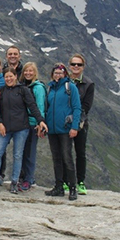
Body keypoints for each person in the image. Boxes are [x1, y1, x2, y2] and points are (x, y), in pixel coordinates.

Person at [0, 67, 47, 195]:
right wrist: (0, 123)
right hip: (5, 128)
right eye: (6, 77)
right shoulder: (1, 92)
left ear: (15, 77)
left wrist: (40, 120)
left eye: (10, 76)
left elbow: (32, 106)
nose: (8, 79)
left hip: (21, 128)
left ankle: (14, 182)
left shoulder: (23, 90)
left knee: (18, 156)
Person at [44, 63, 82, 201]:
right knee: (56, 158)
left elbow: (77, 107)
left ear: (65, 74)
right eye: (55, 73)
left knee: (67, 157)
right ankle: (59, 186)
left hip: (66, 129)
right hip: (52, 129)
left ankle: (72, 188)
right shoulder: (50, 88)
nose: (57, 75)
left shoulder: (70, 87)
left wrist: (74, 127)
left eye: (60, 73)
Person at [18, 62, 47, 191]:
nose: (28, 73)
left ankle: (28, 179)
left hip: (32, 123)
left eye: (31, 71)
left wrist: (39, 123)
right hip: (22, 123)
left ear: (35, 73)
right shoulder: (23, 86)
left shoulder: (38, 88)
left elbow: (40, 106)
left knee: (30, 152)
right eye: (26, 71)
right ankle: (23, 176)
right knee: (21, 151)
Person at [69, 53, 94, 195]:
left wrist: (76, 122)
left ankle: (80, 182)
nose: (76, 67)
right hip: (65, 122)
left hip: (81, 123)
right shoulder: (65, 81)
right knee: (65, 152)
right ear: (69, 66)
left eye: (79, 64)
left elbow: (86, 106)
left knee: (80, 152)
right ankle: (67, 181)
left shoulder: (89, 84)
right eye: (73, 64)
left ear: (83, 67)